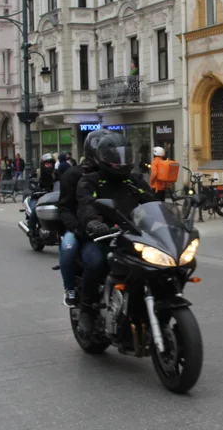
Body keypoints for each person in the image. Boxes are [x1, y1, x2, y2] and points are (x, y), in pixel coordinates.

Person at [75, 132, 153, 335]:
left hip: (133, 236)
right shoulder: (91, 181)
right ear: (103, 158)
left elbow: (153, 202)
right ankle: (87, 309)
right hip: (102, 237)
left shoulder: (134, 181)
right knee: (95, 262)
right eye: (116, 157)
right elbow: (86, 204)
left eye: (125, 156)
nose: (121, 162)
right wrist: (93, 222)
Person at [57, 130, 106, 307]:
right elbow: (64, 206)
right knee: (68, 249)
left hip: (106, 227)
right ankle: (69, 288)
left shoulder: (111, 174)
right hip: (79, 227)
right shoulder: (73, 174)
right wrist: (77, 228)